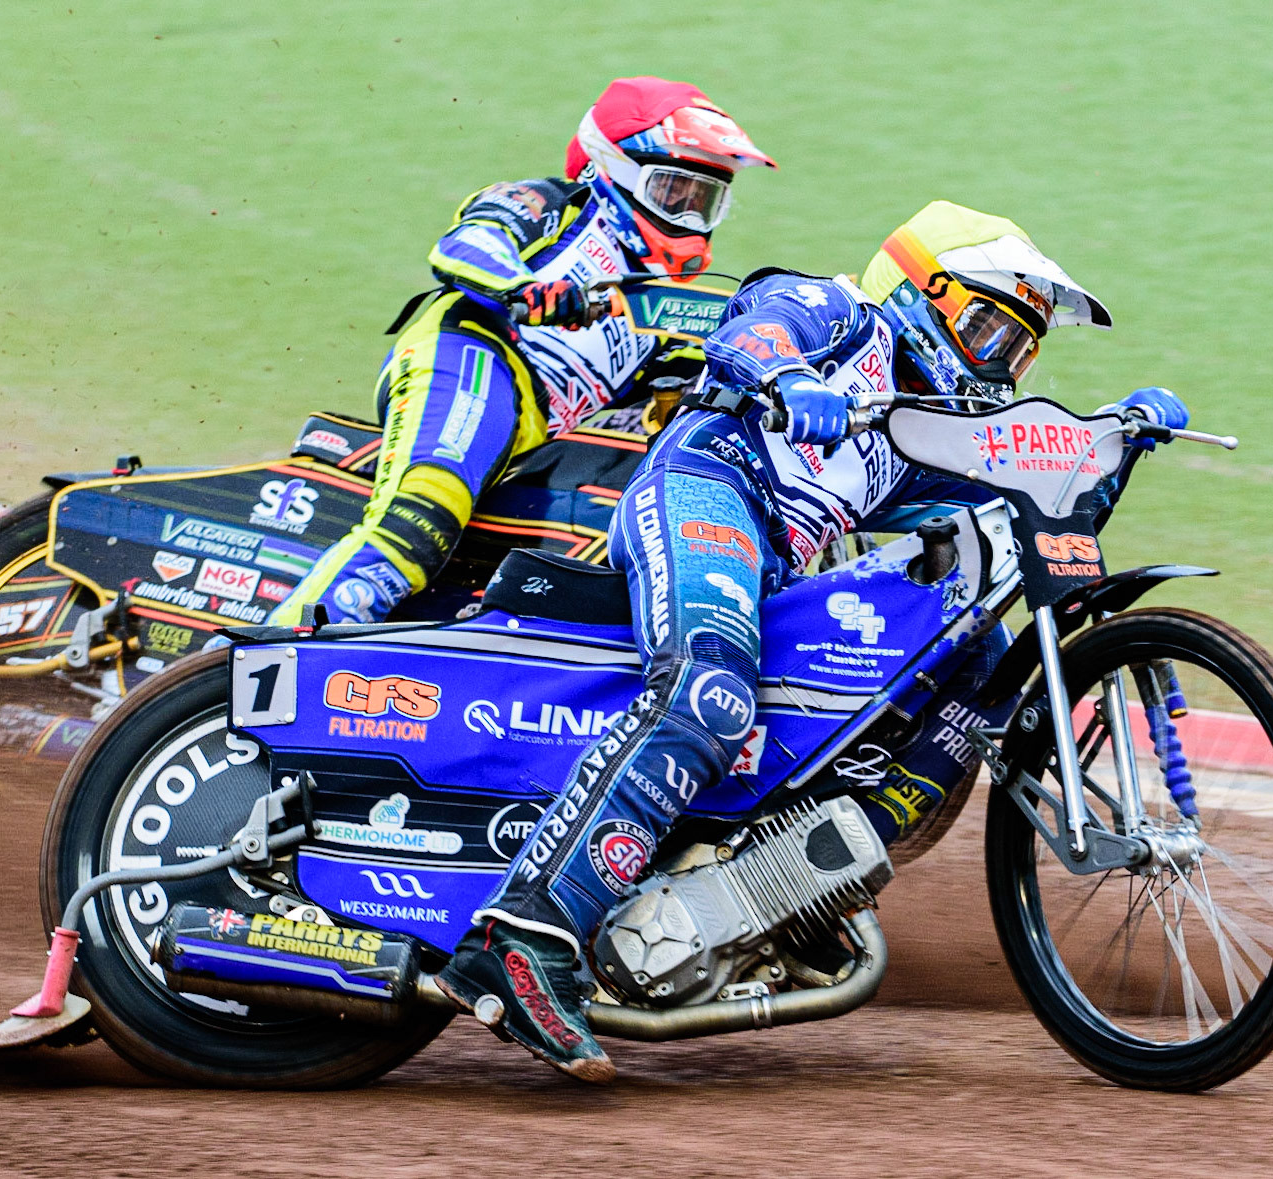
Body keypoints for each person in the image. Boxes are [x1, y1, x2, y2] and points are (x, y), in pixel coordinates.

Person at [436, 200, 1190, 1082]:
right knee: (710, 697)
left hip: (777, 564)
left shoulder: (921, 425)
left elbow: (1019, 510)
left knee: (977, 654)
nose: (1001, 363)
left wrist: (1109, 444)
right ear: (923, 293)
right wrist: (791, 379)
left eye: (1020, 349)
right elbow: (752, 328)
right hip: (706, 488)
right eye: (988, 329)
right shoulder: (839, 311)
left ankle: (795, 889)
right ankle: (526, 932)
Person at [272, 77, 774, 625]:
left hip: (534, 430)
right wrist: (524, 289)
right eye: (673, 191)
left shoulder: (662, 305)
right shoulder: (552, 204)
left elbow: (687, 388)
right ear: (616, 168)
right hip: (471, 355)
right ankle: (266, 648)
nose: (688, 214)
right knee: (421, 515)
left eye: (704, 200)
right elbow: (466, 244)